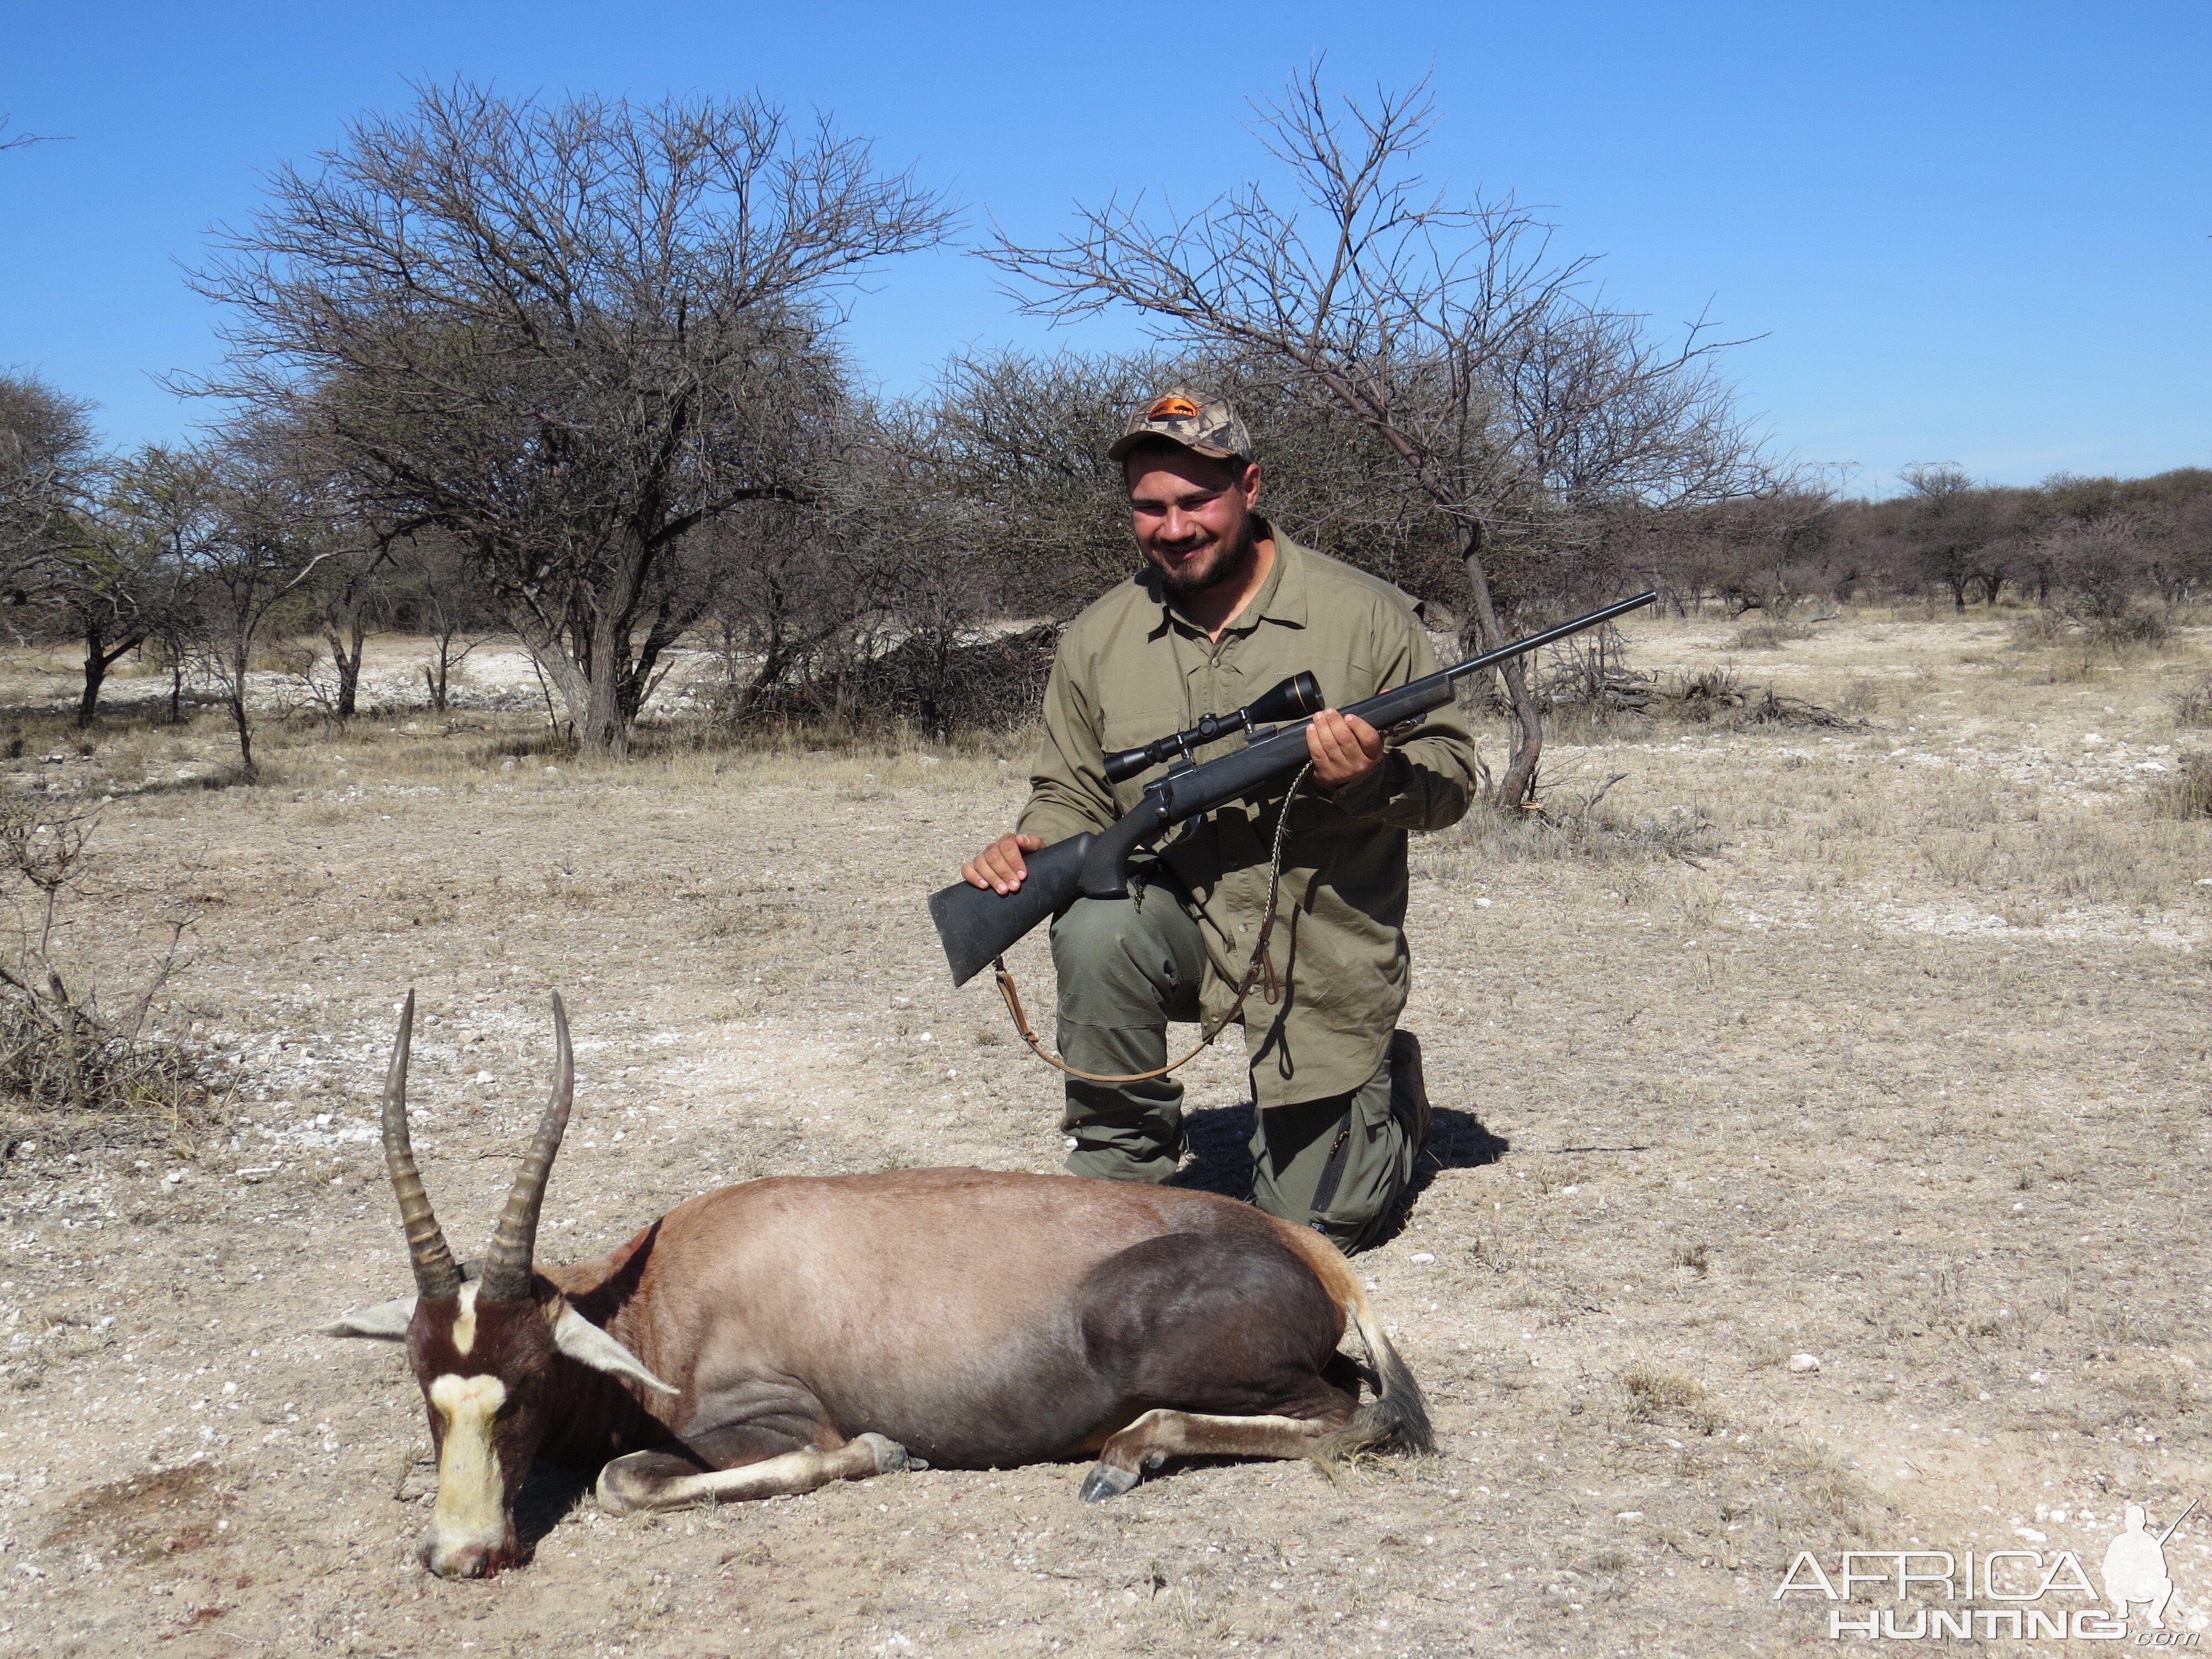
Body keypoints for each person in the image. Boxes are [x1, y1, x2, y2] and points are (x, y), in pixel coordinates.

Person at [959, 389, 1481, 1251]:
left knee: (1310, 1233)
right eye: (1150, 507)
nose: (1174, 528)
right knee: (1095, 924)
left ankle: (1390, 1096)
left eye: (1197, 501)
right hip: (1185, 927)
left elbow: (1453, 782)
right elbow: (1071, 793)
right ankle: (1121, 1173)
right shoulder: (1099, 636)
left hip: (1321, 952)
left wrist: (1371, 779)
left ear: (1249, 486)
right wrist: (1034, 842)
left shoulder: (1367, 616)